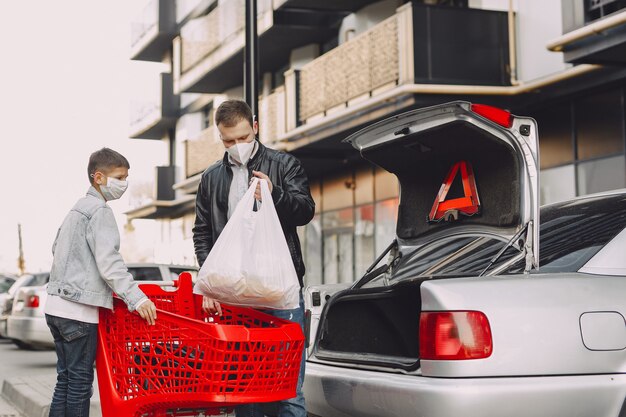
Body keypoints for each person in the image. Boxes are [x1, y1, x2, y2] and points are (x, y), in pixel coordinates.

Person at [192, 99, 315, 417]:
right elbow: (203, 232)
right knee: (245, 389)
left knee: (287, 388)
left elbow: (305, 211)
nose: (237, 146)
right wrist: (208, 283)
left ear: (256, 127)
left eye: (244, 138)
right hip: (235, 296)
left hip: (279, 293)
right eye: (229, 140)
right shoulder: (211, 178)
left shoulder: (284, 164)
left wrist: (275, 194)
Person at [45, 147, 157, 417]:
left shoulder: (76, 209)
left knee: (66, 380)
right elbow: (110, 263)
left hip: (55, 307)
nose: (124, 184)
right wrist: (137, 297)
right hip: (78, 311)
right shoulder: (99, 211)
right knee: (80, 384)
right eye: (119, 177)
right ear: (98, 177)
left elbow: (55, 249)